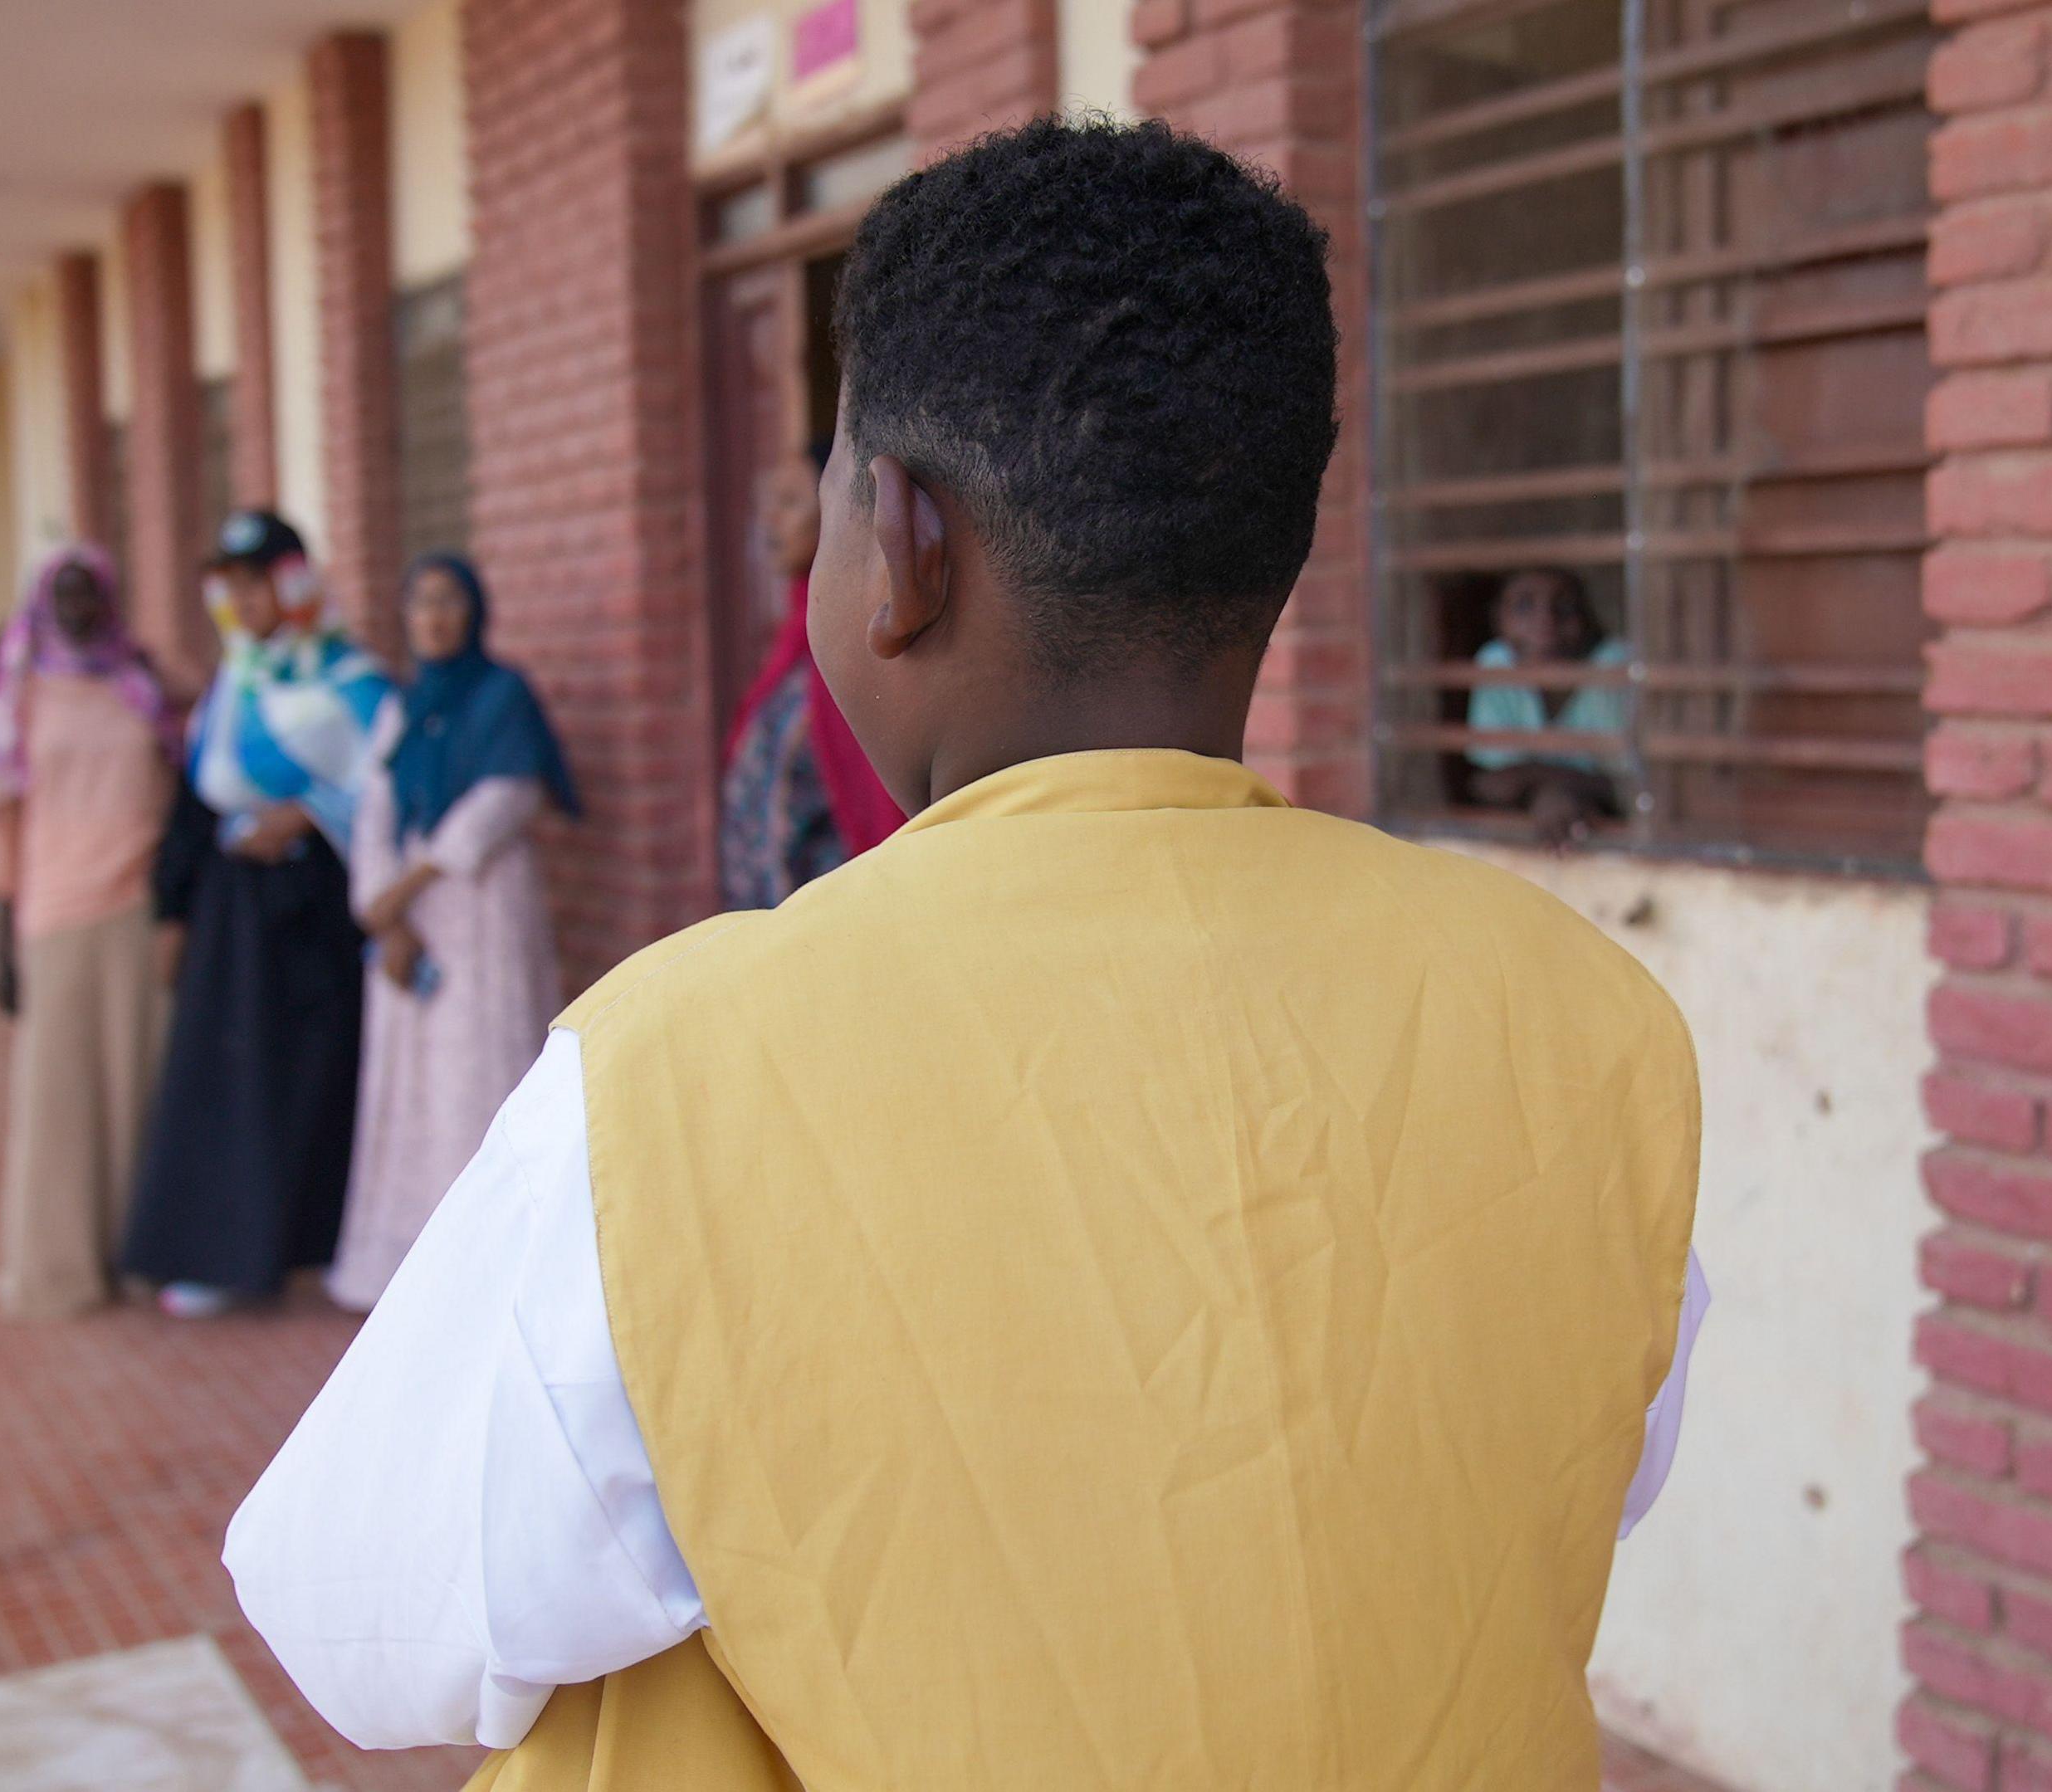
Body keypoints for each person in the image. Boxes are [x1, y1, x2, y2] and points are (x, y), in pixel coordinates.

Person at [227, 119, 1708, 1790]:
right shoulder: (1588, 1015)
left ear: (903, 547)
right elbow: (1583, 1470)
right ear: (1273, 557)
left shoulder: (671, 1075)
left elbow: (359, 1617)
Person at [119, 510, 391, 1319]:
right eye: (230, 585)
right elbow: (197, 803)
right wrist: (174, 910)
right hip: (235, 912)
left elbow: (382, 784)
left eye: (256, 581)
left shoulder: (349, 678)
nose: (242, 600)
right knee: (228, 1079)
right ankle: (222, 1256)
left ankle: (319, 1243)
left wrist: (307, 817)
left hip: (317, 907)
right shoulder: (232, 685)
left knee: (321, 1076)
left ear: (293, 580)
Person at [329, 553, 579, 1312]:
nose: (434, 617)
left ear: (474, 611)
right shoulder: (400, 710)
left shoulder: (502, 696)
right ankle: (406, 1261)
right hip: (412, 918)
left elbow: (511, 795)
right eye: (421, 603)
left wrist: (407, 885)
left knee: (478, 1063)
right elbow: (372, 808)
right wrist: (379, 905)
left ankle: (493, 1266)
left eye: (448, 601)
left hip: (477, 907)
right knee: (410, 1083)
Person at [0, 545, 181, 1321]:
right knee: (58, 1102)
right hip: (52, 913)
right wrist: (0, 944)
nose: (79, 606)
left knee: (137, 1090)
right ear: (43, 600)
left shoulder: (142, 684)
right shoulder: (16, 690)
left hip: (136, 909)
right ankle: (58, 1271)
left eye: (90, 591)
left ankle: (142, 1259)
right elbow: (2, 817)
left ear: (110, 598)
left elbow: (182, 778)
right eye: (65, 592)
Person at [716, 440, 903, 907]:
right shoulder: (794, 649)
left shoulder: (865, 648)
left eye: (791, 502)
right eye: (769, 503)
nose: (770, 522)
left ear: (841, 509)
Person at [1465, 566, 1630, 841]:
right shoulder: (1496, 663)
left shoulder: (1616, 666)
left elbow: (1634, 790)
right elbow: (1491, 783)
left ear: (1588, 619)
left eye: (1564, 606)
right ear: (1498, 621)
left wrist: (1536, 778)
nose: (1546, 622)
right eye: (1524, 606)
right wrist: (1557, 790)